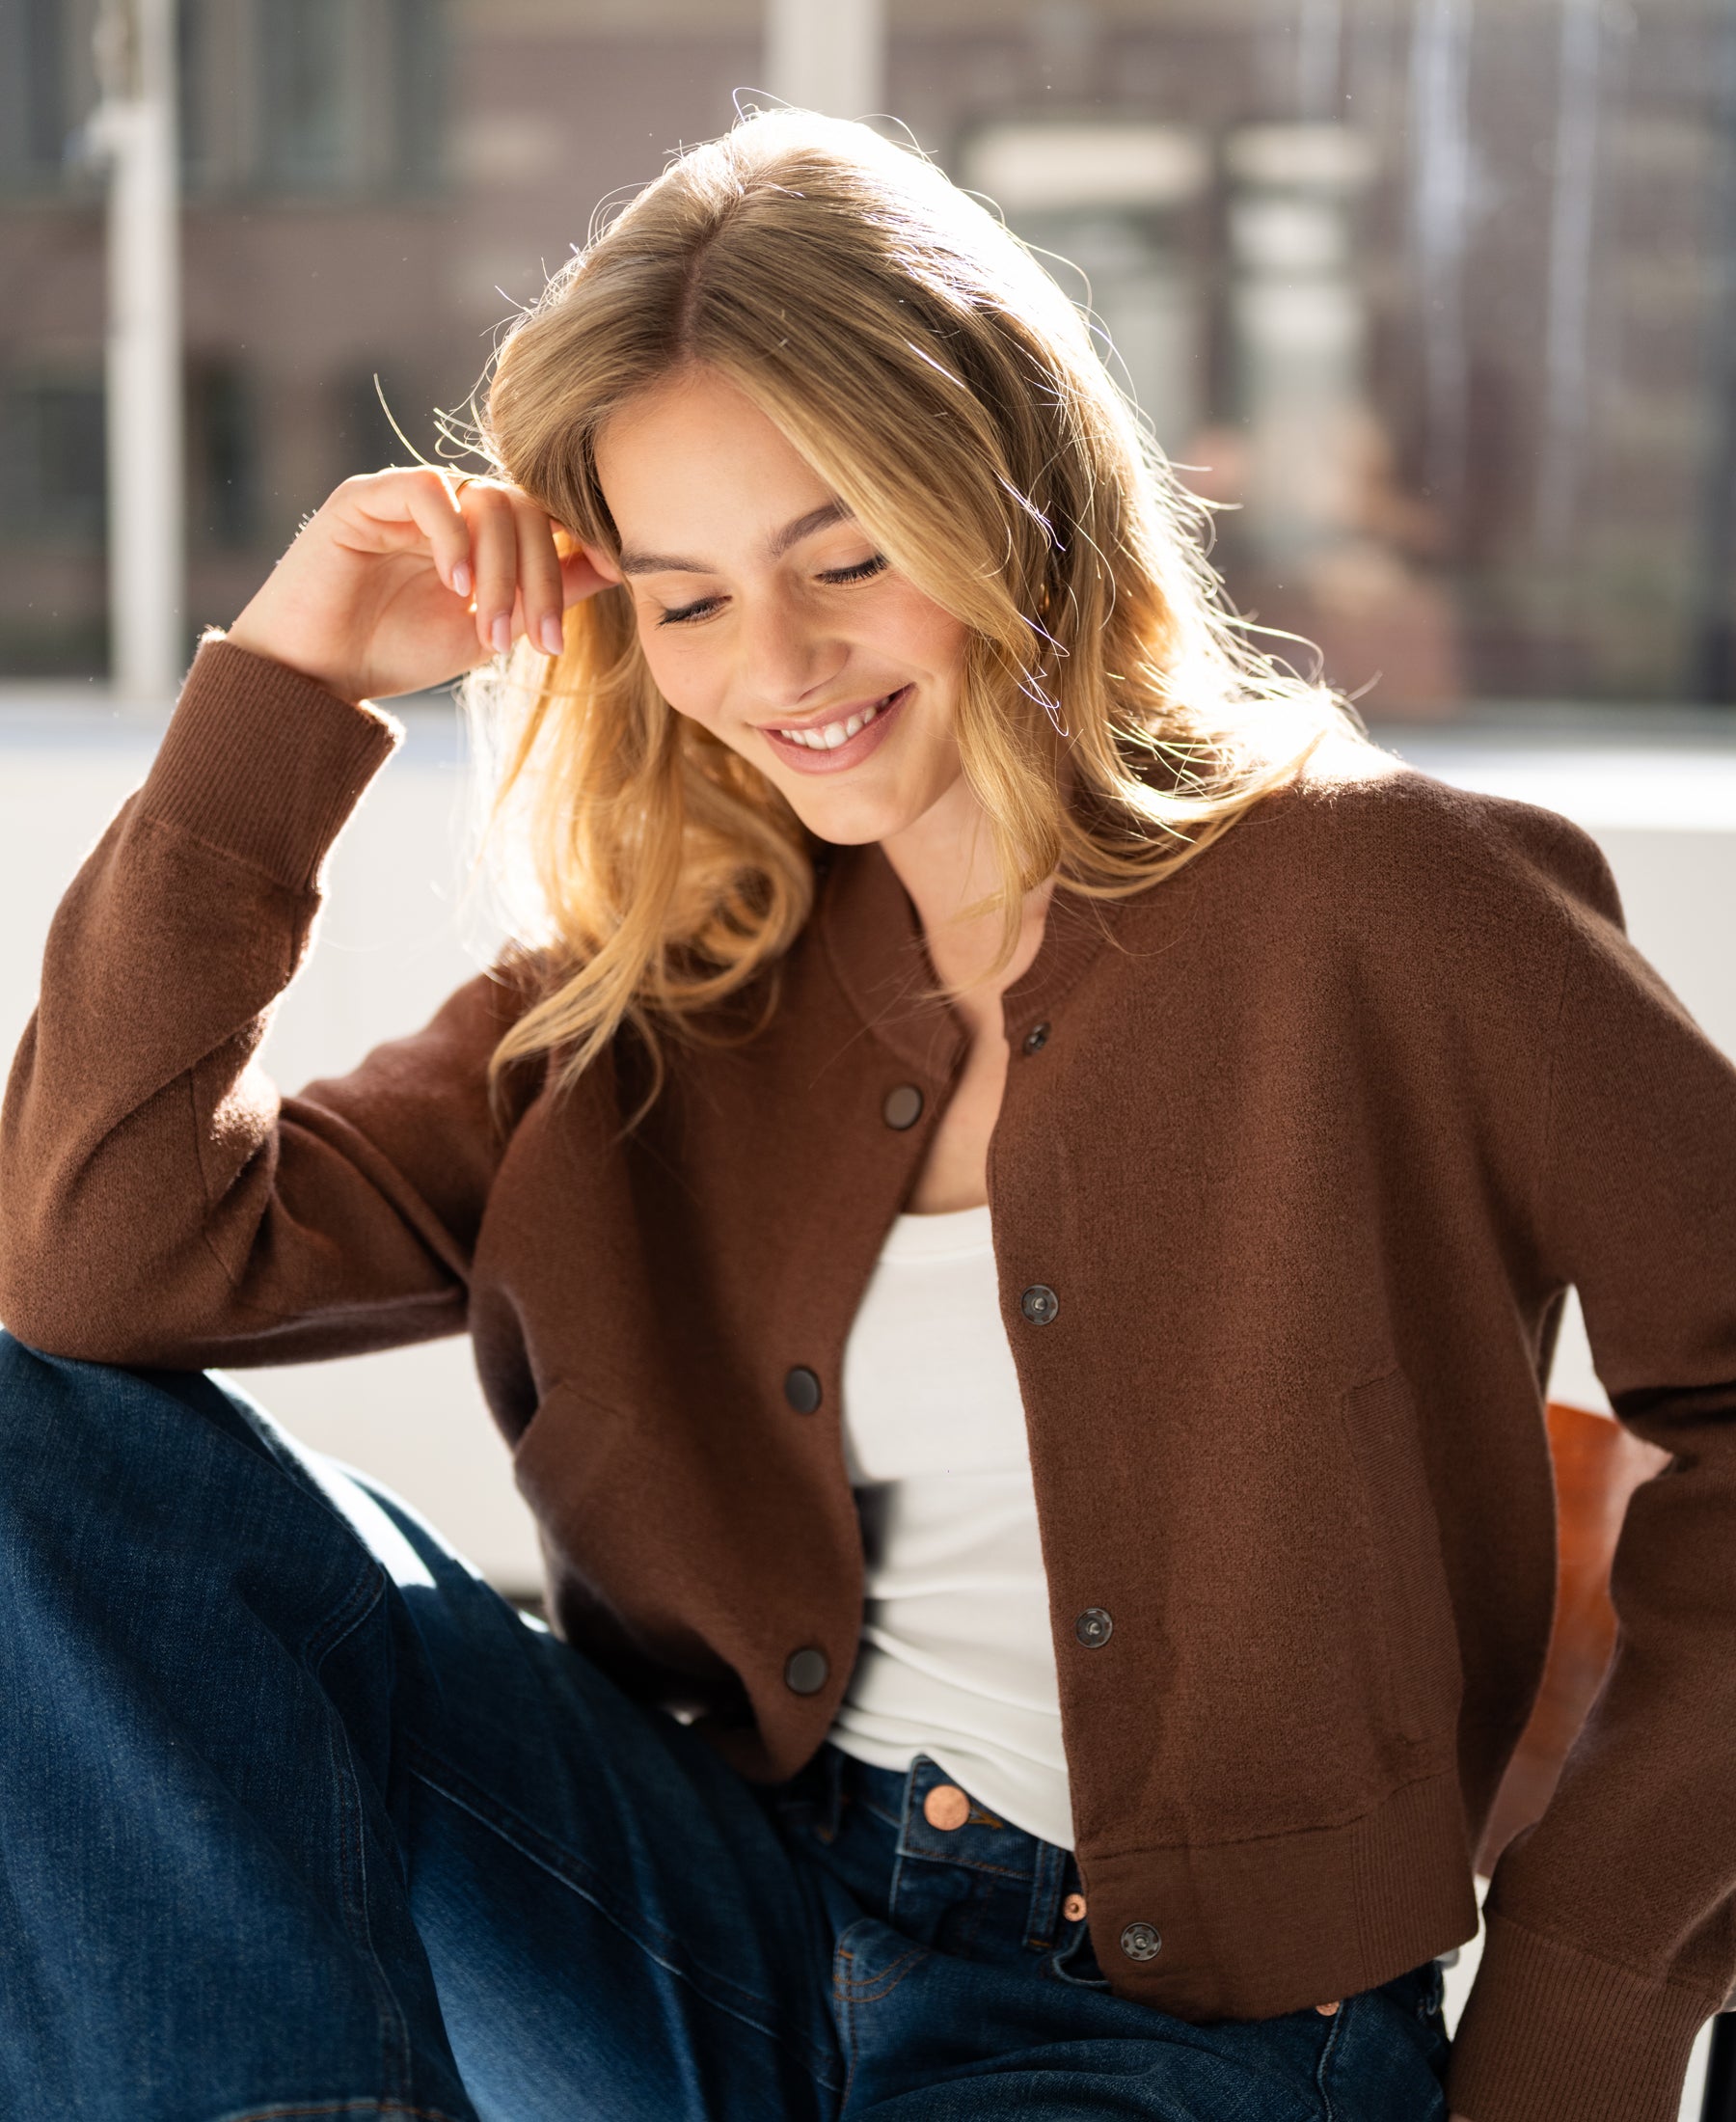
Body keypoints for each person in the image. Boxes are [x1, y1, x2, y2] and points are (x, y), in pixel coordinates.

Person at [0, 107, 1731, 2122]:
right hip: (703, 1919)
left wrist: (1585, 2010)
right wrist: (292, 686)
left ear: (1017, 500)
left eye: (847, 556)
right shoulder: (659, 988)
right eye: (688, 600)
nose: (783, 665)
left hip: (1172, 2025)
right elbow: (98, 1266)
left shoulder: (1382, 900)